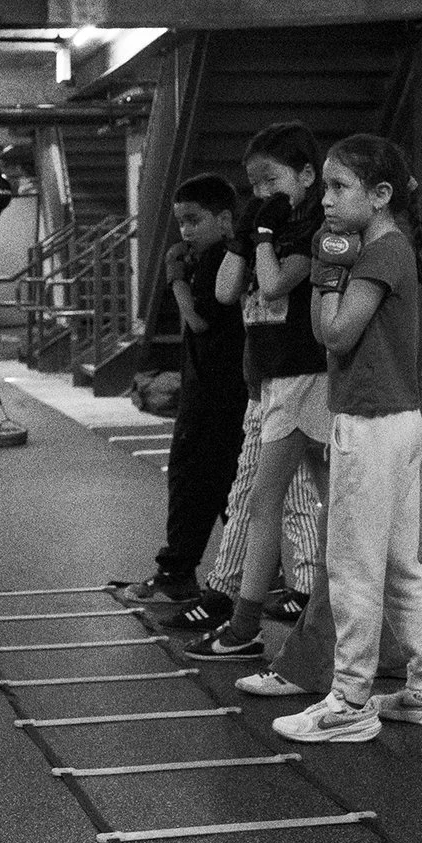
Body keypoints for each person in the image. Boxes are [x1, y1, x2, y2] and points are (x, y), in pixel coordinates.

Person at [271, 135, 422, 742]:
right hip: (396, 421)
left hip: (372, 424)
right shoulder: (391, 246)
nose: (325, 200)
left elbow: (335, 334)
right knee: (400, 565)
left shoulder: (381, 251)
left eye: (338, 187)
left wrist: (324, 277)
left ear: (379, 196)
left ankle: (349, 701)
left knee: (352, 565)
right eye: (324, 186)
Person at [183, 124, 330, 667]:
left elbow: (273, 284)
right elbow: (227, 291)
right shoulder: (266, 229)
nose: (263, 193)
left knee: (273, 501)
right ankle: (337, 622)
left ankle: (246, 622)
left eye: (273, 180)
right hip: (265, 381)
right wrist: (242, 239)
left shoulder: (313, 233)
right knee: (282, 498)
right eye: (255, 185)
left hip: (303, 376)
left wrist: (264, 238)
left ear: (307, 176)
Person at [115, 175, 245, 608]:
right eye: (181, 222)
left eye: (194, 220)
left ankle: (177, 573)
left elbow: (198, 320)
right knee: (226, 484)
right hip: (220, 389)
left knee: (192, 479)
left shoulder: (216, 261)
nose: (185, 230)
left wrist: (177, 281)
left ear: (223, 220)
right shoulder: (219, 256)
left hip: (214, 394)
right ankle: (252, 572)